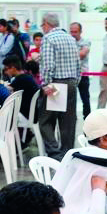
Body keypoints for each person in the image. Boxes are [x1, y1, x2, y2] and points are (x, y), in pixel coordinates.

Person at [36, 13, 80, 160]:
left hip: (55, 84)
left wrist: (46, 84)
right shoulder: (71, 38)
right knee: (68, 123)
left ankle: (55, 153)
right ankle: (67, 154)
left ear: (46, 24)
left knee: (45, 121)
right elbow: (78, 64)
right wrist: (75, 81)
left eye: (43, 25)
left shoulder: (48, 39)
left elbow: (48, 65)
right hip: (72, 82)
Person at [69, 22, 92, 118]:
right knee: (70, 99)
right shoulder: (68, 41)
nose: (73, 34)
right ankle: (71, 117)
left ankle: (87, 118)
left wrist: (69, 54)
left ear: (80, 31)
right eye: (71, 32)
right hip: (71, 75)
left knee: (85, 98)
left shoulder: (86, 41)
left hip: (83, 74)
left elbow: (82, 55)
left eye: (75, 32)